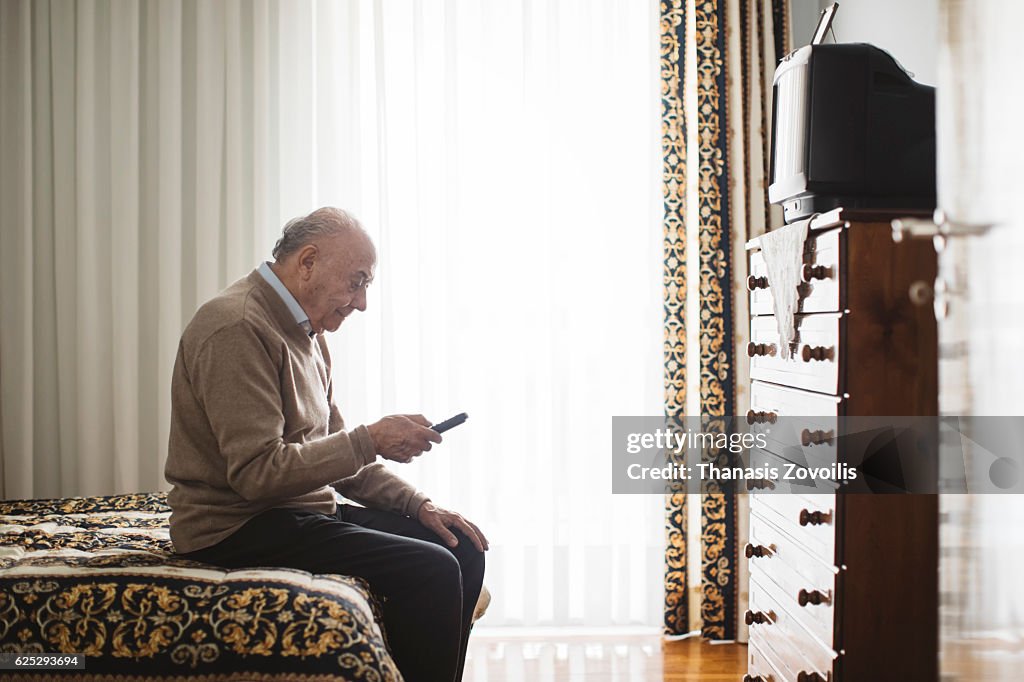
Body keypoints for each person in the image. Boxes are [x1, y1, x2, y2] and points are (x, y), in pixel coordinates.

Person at [164, 207, 487, 681]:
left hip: (296, 513)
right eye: (356, 282)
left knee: (460, 546)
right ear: (308, 262)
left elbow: (334, 455)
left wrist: (418, 505)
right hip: (236, 528)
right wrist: (370, 439)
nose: (360, 303)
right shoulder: (236, 326)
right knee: (431, 568)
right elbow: (257, 475)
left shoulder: (307, 334)